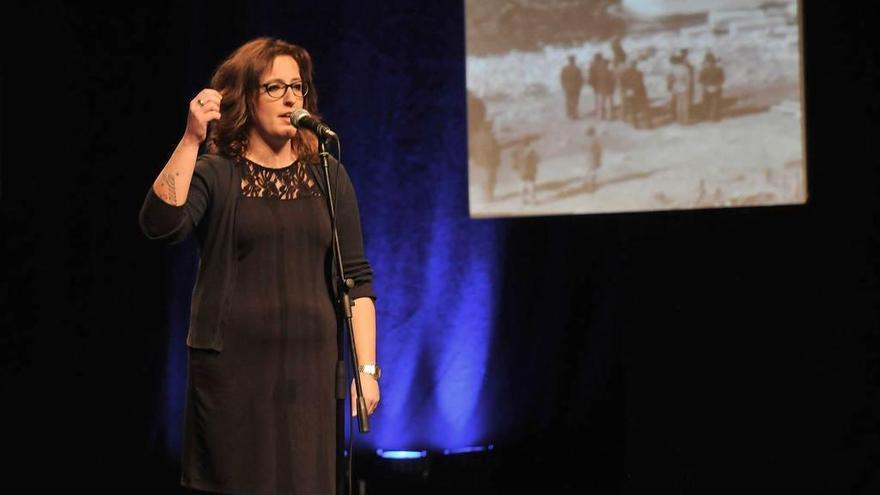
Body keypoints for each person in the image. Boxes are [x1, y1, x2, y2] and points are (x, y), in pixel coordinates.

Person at [138, 37, 379, 495]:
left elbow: (357, 280)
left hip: (309, 376)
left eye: (297, 87)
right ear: (248, 98)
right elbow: (160, 224)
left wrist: (367, 371)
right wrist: (192, 138)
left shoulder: (328, 176)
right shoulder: (217, 172)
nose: (291, 98)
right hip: (234, 378)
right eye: (274, 88)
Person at [699, 51, 725, 121]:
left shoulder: (704, 70)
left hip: (706, 88)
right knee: (715, 103)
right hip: (716, 87)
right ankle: (713, 117)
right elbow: (722, 79)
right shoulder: (719, 69)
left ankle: (706, 116)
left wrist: (705, 86)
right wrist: (718, 85)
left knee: (706, 103)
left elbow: (700, 80)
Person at [560, 55, 584, 119]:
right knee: (575, 101)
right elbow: (580, 80)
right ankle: (574, 114)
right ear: (574, 61)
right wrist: (580, 87)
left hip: (567, 87)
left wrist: (564, 86)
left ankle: (569, 113)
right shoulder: (577, 69)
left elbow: (562, 78)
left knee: (568, 100)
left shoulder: (565, 69)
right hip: (575, 87)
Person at [584, 126, 602, 192]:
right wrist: (598, 159)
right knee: (593, 171)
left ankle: (586, 184)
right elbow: (598, 150)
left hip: (589, 158)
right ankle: (591, 186)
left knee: (588, 171)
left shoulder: (588, 140)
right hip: (593, 158)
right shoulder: (595, 140)